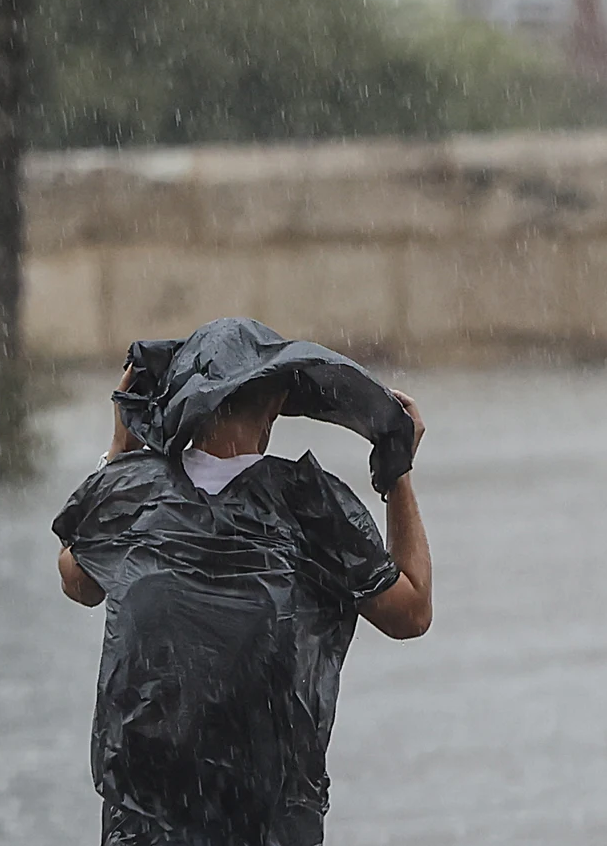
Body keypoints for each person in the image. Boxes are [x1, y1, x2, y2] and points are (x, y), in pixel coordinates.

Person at [54, 359, 433, 846]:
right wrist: (397, 475)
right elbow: (412, 611)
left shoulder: (136, 492)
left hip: (145, 820)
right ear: (277, 402)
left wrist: (119, 451)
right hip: (265, 818)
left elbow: (76, 581)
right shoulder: (309, 503)